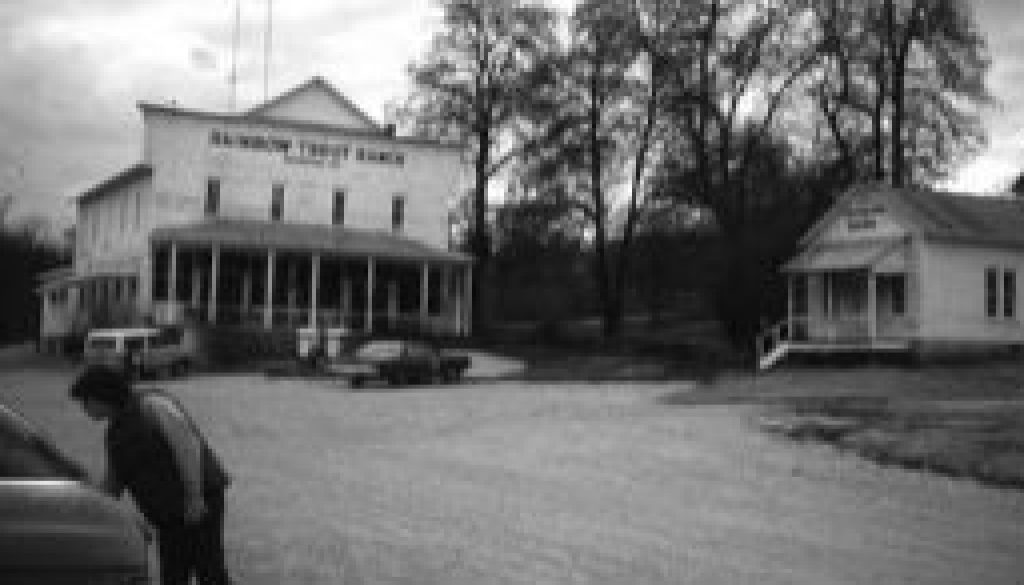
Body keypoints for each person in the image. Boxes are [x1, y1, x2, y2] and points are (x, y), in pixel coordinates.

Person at [70, 365, 231, 585]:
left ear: (103, 396)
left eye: (86, 402)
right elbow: (114, 484)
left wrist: (194, 497)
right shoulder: (115, 432)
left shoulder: (152, 405)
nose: (84, 409)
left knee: (210, 571)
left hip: (200, 501)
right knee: (174, 574)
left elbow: (187, 448)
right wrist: (100, 512)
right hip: (168, 516)